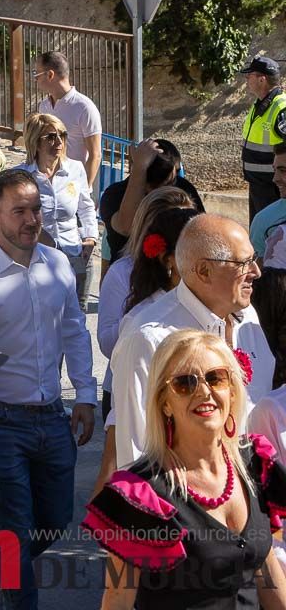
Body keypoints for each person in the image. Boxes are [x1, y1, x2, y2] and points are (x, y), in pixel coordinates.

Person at [83, 329, 286, 607]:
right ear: (165, 403)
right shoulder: (140, 496)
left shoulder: (255, 464)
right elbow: (117, 600)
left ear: (232, 389)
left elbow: (267, 571)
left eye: (216, 378)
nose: (204, 392)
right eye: (184, 383)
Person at [0, 168, 97, 610]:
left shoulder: (57, 263)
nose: (32, 220)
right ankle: (12, 584)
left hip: (51, 416)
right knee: (15, 527)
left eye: (37, 210)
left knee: (55, 519)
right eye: (20, 211)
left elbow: (74, 330)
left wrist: (85, 394)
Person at [112, 214, 275, 468]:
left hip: (249, 491)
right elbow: (136, 453)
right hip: (186, 500)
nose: (256, 271)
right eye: (244, 263)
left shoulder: (247, 318)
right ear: (204, 271)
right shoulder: (149, 338)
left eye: (254, 259)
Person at [91, 204, 201, 495]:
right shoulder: (146, 326)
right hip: (165, 477)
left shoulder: (227, 313)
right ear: (169, 260)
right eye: (197, 250)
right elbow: (131, 438)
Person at [97, 187, 197, 421]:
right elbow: (106, 344)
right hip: (130, 392)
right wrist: (150, 307)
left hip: (186, 391)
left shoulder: (201, 277)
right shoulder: (121, 272)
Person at [18, 112, 98, 309]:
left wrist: (90, 237)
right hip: (38, 258)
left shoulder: (76, 169)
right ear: (35, 142)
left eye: (62, 135)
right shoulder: (21, 175)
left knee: (78, 313)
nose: (59, 142)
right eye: (51, 137)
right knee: (44, 314)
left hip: (75, 253)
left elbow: (86, 206)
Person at [98, 137, 205, 266]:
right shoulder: (115, 194)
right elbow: (126, 227)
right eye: (167, 183)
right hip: (129, 278)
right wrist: (139, 168)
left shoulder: (184, 187)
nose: (172, 189)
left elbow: (201, 228)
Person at [34, 50, 103, 186]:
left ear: (50, 75)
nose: (35, 78)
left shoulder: (84, 107)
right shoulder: (44, 106)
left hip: (73, 183)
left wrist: (85, 189)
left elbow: (95, 154)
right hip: (47, 181)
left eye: (37, 74)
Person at [250, 142, 286, 387]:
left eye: (283, 170)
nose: (276, 178)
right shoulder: (265, 219)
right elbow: (258, 276)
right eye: (276, 170)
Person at [239, 55, 286, 221]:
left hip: (273, 187)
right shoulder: (261, 104)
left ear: (262, 79)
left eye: (249, 75)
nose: (246, 79)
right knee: (259, 232)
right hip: (258, 184)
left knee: (271, 233)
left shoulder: (280, 107)